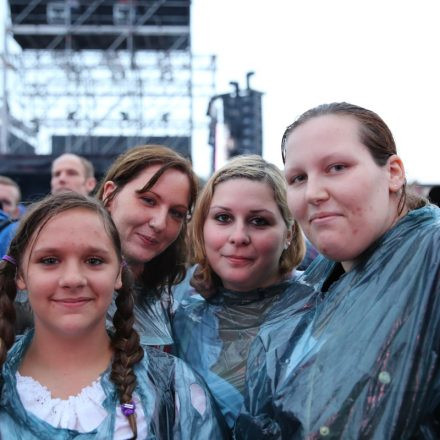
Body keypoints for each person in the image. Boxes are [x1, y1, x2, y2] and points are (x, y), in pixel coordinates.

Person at [234, 102, 440, 439]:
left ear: (393, 173)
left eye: (337, 167)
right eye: (298, 178)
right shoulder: (314, 289)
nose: (314, 193)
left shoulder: (432, 257)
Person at [0, 192, 227, 439]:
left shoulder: (174, 387)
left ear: (118, 273)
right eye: (50, 260)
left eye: (94, 260)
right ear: (20, 275)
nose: (73, 279)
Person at [172, 155, 311, 429]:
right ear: (202, 227)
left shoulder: (325, 308)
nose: (238, 236)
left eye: (258, 221)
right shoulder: (181, 321)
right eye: (223, 218)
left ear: (289, 233)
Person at [96, 145, 198, 349]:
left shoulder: (174, 301)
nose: (160, 223)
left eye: (176, 213)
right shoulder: (52, 287)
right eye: (149, 200)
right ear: (110, 195)